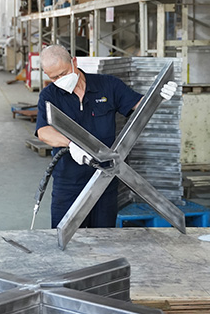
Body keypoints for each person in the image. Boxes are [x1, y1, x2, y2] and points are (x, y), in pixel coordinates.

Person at [34, 45, 176, 229]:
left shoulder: (107, 85)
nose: (60, 80)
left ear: (74, 62)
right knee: (67, 236)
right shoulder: (49, 95)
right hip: (69, 182)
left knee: (104, 236)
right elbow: (43, 131)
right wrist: (71, 144)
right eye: (54, 77)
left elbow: (139, 105)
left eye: (63, 73)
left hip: (105, 178)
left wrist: (158, 96)